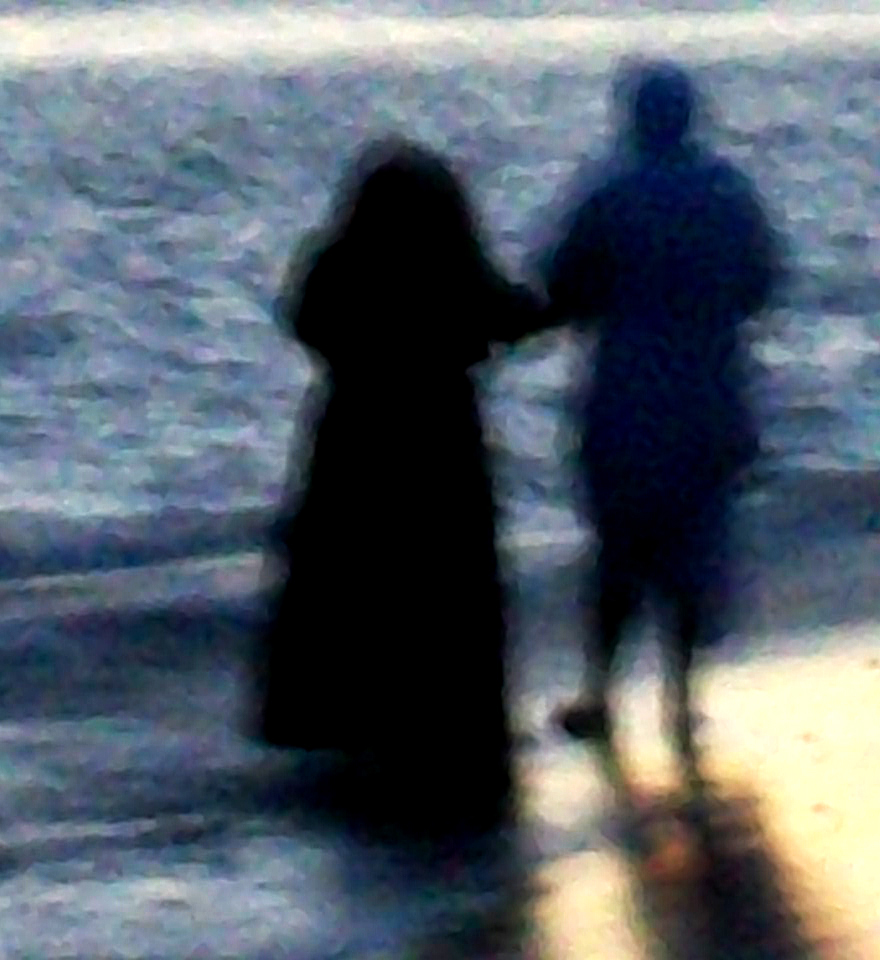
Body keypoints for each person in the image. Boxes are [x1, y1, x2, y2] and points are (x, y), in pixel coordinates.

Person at [251, 136, 548, 827]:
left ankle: (337, 723)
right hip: (439, 438)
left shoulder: (333, 261)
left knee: (342, 582)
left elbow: (303, 322)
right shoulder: (454, 263)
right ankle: (444, 725)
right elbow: (512, 317)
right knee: (445, 590)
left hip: (351, 435)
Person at [536, 59, 784, 750]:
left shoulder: (610, 192)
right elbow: (763, 283)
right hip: (710, 390)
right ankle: (682, 695)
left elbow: (563, 285)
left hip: (627, 392)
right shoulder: (729, 192)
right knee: (694, 548)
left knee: (618, 550)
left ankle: (600, 691)